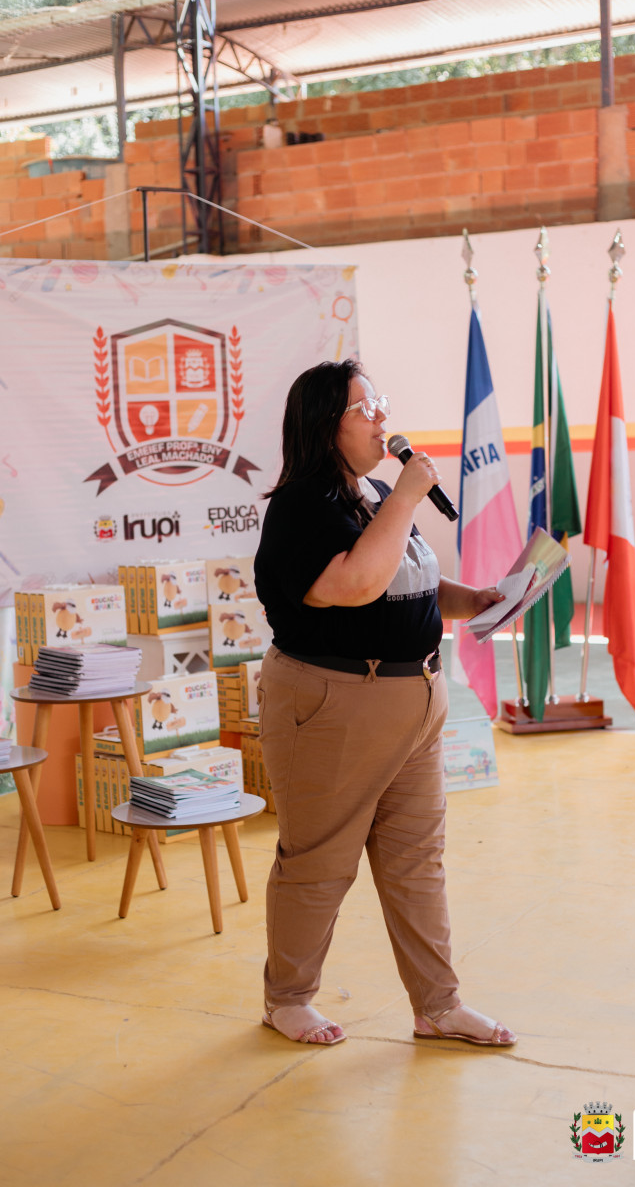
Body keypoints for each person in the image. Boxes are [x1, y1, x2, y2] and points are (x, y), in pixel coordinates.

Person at [253, 358, 517, 1048]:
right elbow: (356, 584)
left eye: (381, 405)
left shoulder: (374, 493)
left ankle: (438, 1006)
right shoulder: (301, 507)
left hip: (414, 701)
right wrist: (405, 496)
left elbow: (410, 581)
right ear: (324, 425)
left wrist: (474, 600)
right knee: (319, 861)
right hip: (333, 704)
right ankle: (287, 1000)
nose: (382, 419)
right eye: (364, 409)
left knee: (416, 860)